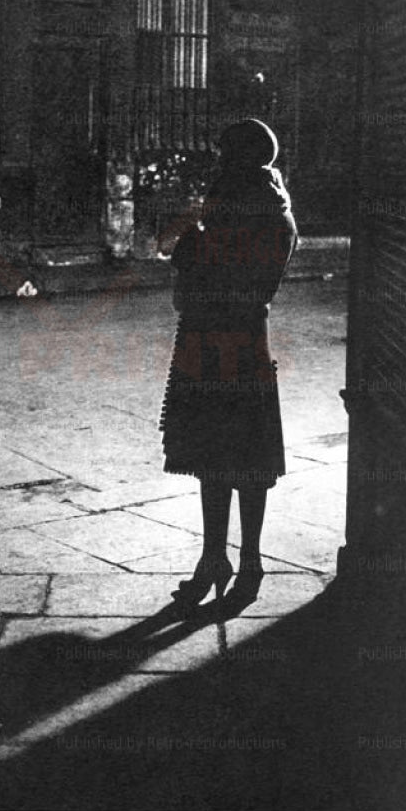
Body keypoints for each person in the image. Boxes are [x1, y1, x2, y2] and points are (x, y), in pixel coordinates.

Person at [159, 118, 298, 615]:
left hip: (214, 337)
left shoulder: (232, 208)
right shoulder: (276, 210)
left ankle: (218, 557)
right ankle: (243, 560)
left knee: (215, 455)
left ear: (236, 157)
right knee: (246, 456)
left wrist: (194, 245)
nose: (218, 161)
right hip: (246, 340)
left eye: (224, 152)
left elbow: (196, 270)